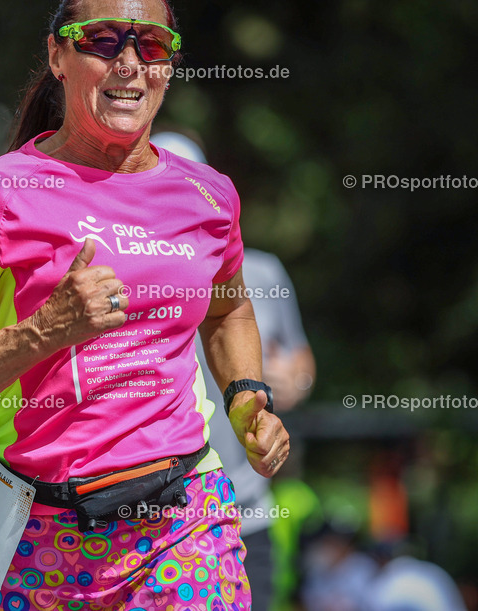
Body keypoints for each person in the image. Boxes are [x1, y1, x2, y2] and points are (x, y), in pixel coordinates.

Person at [0, 0, 290, 610]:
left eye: (151, 44)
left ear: (168, 64)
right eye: (103, 41)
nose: (129, 63)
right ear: (58, 55)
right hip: (32, 540)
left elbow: (229, 308)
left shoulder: (207, 196)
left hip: (181, 519)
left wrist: (248, 396)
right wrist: (47, 329)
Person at [151, 130, 317, 611]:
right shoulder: (124, 270)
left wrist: (292, 384)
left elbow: (300, 359)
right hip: (161, 515)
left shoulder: (261, 272)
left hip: (246, 511)